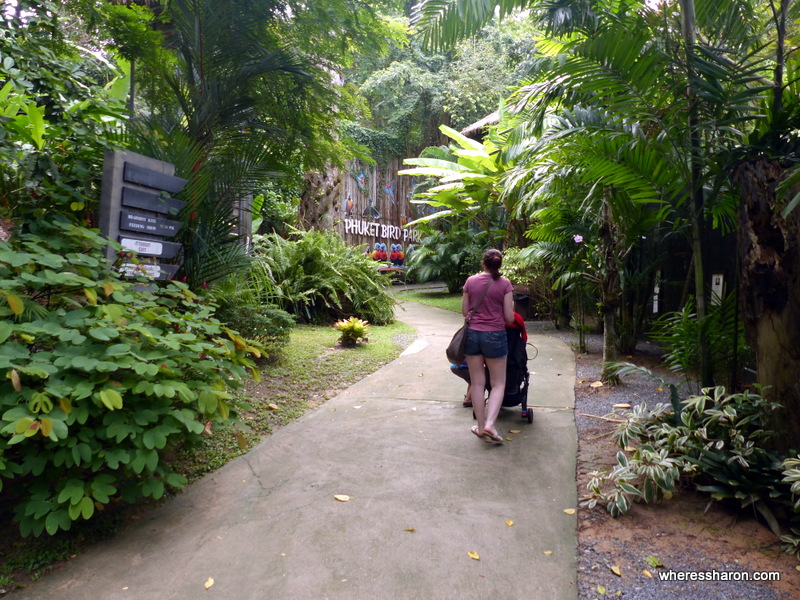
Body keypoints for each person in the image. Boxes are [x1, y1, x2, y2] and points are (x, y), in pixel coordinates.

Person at [462, 248, 514, 443]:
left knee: (477, 383)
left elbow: (465, 311)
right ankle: (490, 424)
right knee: (498, 383)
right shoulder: (505, 284)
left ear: (483, 263)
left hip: (473, 335)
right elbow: (509, 318)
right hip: (495, 336)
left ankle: (480, 426)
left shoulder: (470, 281)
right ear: (499, 264)